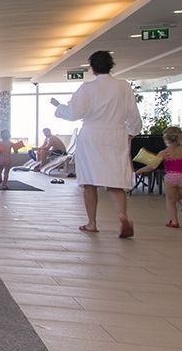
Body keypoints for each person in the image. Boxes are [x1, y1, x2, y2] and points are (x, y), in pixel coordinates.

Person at [50, 50, 143, 238]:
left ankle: (92, 223)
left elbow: (73, 113)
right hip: (116, 134)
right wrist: (131, 133)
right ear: (111, 65)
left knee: (89, 181)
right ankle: (123, 215)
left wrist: (58, 106)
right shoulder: (123, 87)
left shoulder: (87, 88)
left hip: (92, 135)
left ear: (92, 68)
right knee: (116, 181)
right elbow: (133, 115)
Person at [133, 126, 182, 228]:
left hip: (170, 177)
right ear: (180, 137)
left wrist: (140, 170)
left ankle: (174, 222)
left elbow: (153, 165)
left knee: (170, 201)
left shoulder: (164, 153)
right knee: (181, 197)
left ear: (166, 139)